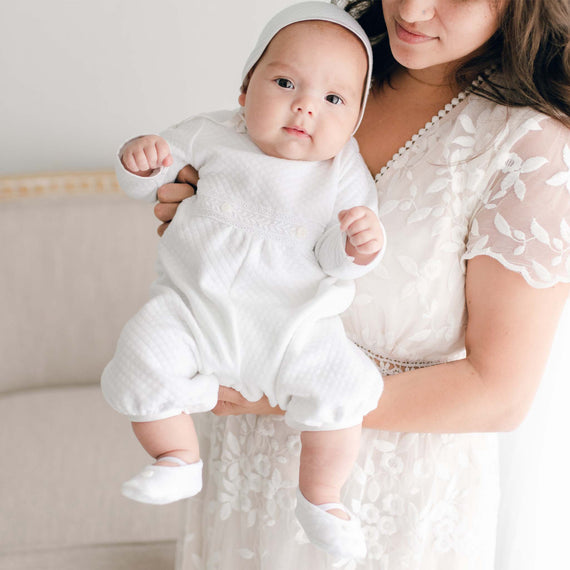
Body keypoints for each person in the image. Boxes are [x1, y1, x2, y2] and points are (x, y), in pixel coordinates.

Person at [153, 0, 570, 568]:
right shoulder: (327, 64)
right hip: (242, 471)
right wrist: (200, 211)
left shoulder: (530, 148)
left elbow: (497, 393)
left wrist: (279, 397)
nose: (415, 9)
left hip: (386, 499)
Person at [102, 2, 387, 559]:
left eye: (333, 98)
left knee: (344, 386)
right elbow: (159, 178)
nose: (305, 106)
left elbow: (336, 255)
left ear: (354, 120)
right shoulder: (212, 133)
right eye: (285, 82)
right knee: (140, 352)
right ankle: (177, 458)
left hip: (291, 325)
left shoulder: (342, 171)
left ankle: (321, 496)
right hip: (193, 309)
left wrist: (358, 245)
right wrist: (140, 162)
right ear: (244, 88)